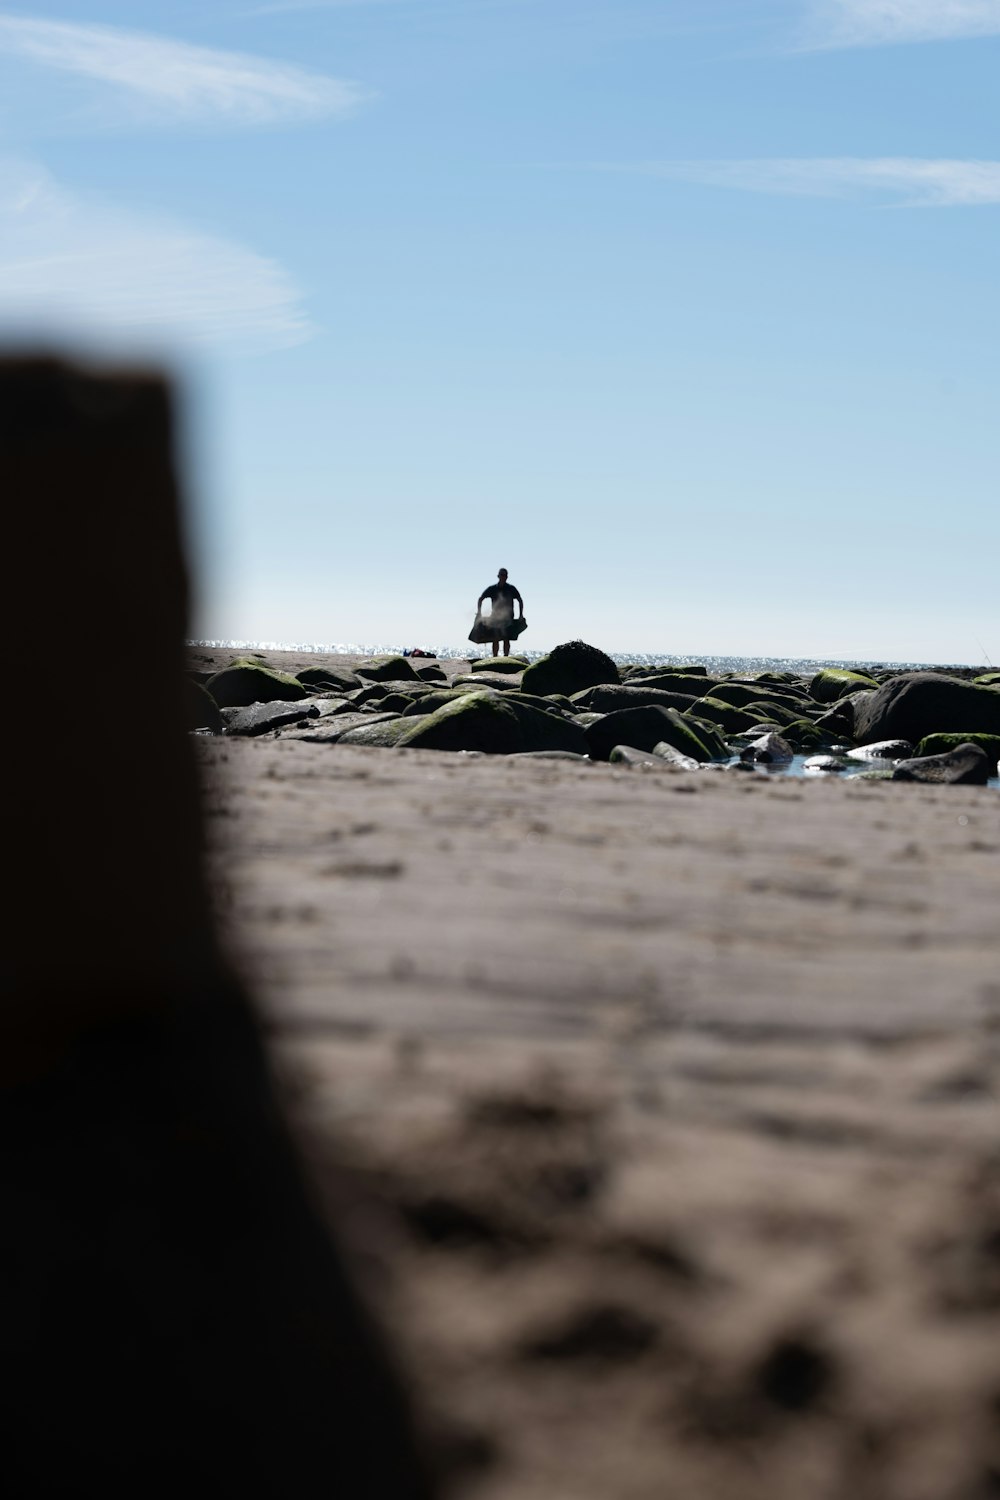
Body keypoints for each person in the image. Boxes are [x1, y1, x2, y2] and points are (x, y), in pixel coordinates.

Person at [476, 568, 525, 657]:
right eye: (502, 575)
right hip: (495, 617)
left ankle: (506, 657)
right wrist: (479, 612)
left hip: (508, 617)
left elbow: (520, 600)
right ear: (498, 576)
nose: (503, 577)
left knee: (506, 638)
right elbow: (481, 599)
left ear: (507, 577)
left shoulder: (511, 588)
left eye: (505, 575)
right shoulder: (492, 589)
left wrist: (521, 615)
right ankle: (495, 657)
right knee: (495, 638)